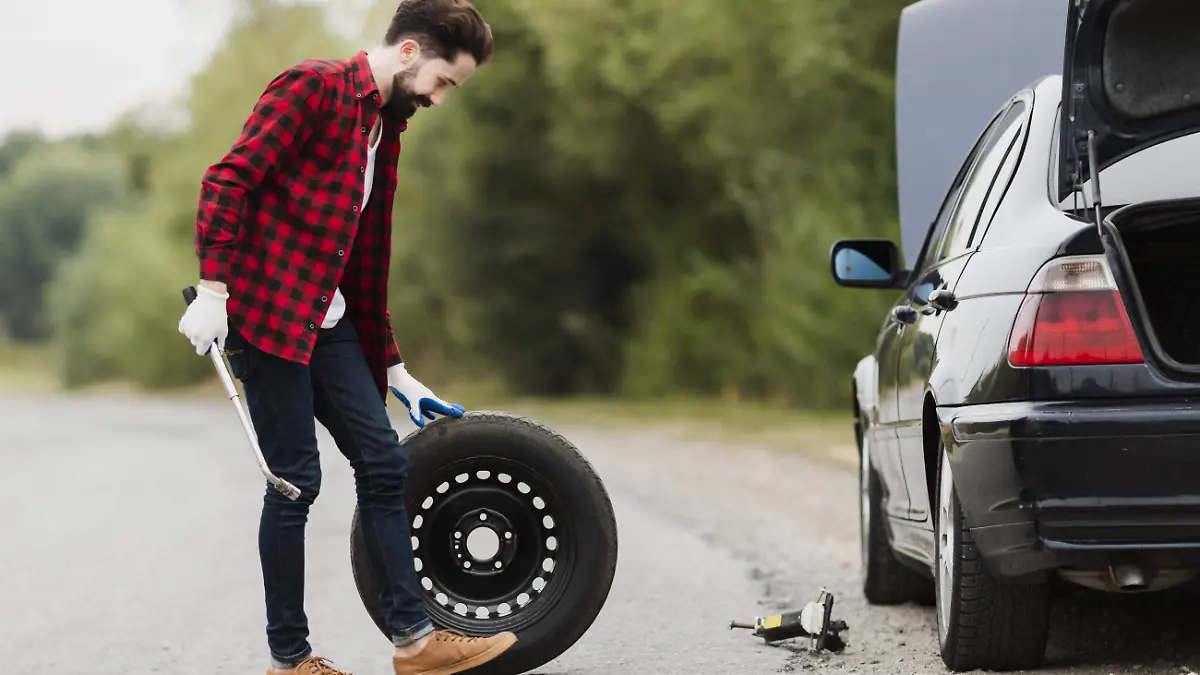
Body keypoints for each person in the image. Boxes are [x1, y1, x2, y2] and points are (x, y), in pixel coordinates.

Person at [176, 1, 518, 673]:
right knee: (295, 483)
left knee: (384, 463)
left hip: (328, 322)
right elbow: (228, 179)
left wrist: (392, 367)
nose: (442, 100)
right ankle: (290, 659)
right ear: (413, 52)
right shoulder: (313, 88)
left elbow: (364, 259)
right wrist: (214, 290)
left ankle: (416, 643)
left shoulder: (385, 128)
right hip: (267, 317)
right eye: (446, 82)